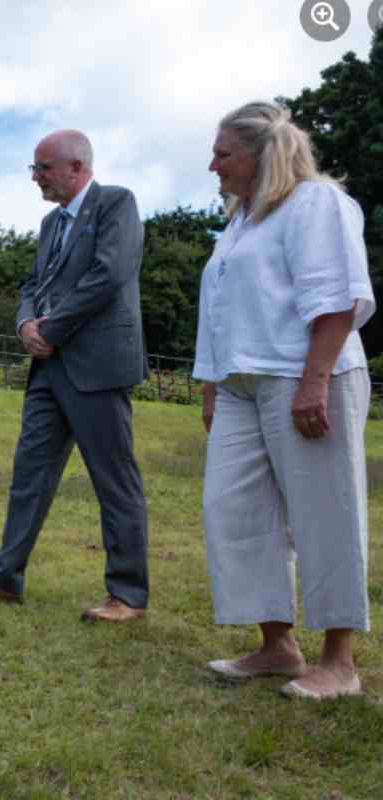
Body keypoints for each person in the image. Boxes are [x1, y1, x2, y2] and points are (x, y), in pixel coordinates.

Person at [195, 100, 374, 700]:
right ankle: (277, 646)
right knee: (234, 512)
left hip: (304, 376)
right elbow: (220, 311)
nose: (212, 164)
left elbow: (337, 295)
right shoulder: (239, 223)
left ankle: (340, 663)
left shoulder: (314, 203)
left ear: (259, 153)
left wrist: (315, 379)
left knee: (325, 510)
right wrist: (211, 384)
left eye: (223, 153)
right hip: (241, 385)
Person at [0, 129, 150, 622]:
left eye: (43, 168)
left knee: (114, 481)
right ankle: (3, 577)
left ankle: (127, 595)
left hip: (96, 366)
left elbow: (109, 275)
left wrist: (52, 328)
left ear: (76, 167)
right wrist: (24, 325)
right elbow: (33, 284)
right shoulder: (48, 224)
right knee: (29, 475)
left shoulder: (116, 204)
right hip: (47, 367)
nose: (36, 177)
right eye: (34, 169)